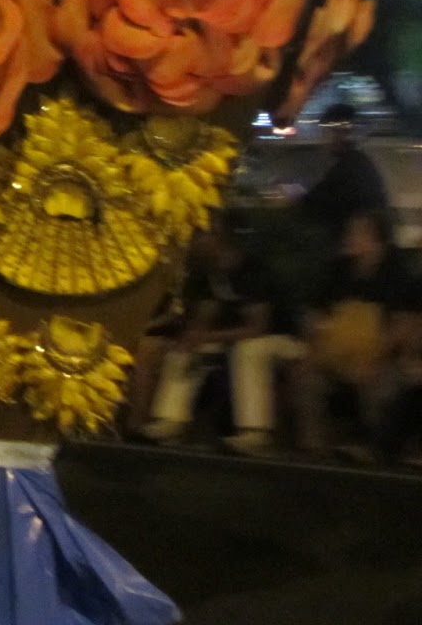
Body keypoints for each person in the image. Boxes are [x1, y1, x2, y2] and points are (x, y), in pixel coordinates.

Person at [291, 209, 420, 457]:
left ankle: (376, 448)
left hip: (380, 356)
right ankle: (314, 449)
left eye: (357, 233)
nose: (348, 238)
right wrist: (313, 350)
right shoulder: (338, 271)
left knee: (380, 384)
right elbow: (315, 314)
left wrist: (375, 359)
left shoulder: (397, 275)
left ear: (376, 240)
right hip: (336, 355)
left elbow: (403, 326)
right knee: (306, 379)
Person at [138, 226, 281, 443]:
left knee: (250, 350)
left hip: (277, 338)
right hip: (231, 337)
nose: (193, 242)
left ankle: (256, 431)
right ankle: (171, 421)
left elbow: (258, 327)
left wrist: (206, 337)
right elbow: (205, 319)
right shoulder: (208, 274)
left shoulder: (251, 271)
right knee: (185, 349)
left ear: (218, 237)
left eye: (199, 236)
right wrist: (192, 338)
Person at [301, 102, 390, 247]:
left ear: (341, 134)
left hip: (355, 247)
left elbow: (313, 204)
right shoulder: (359, 163)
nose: (324, 139)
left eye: (326, 132)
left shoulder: (349, 168)